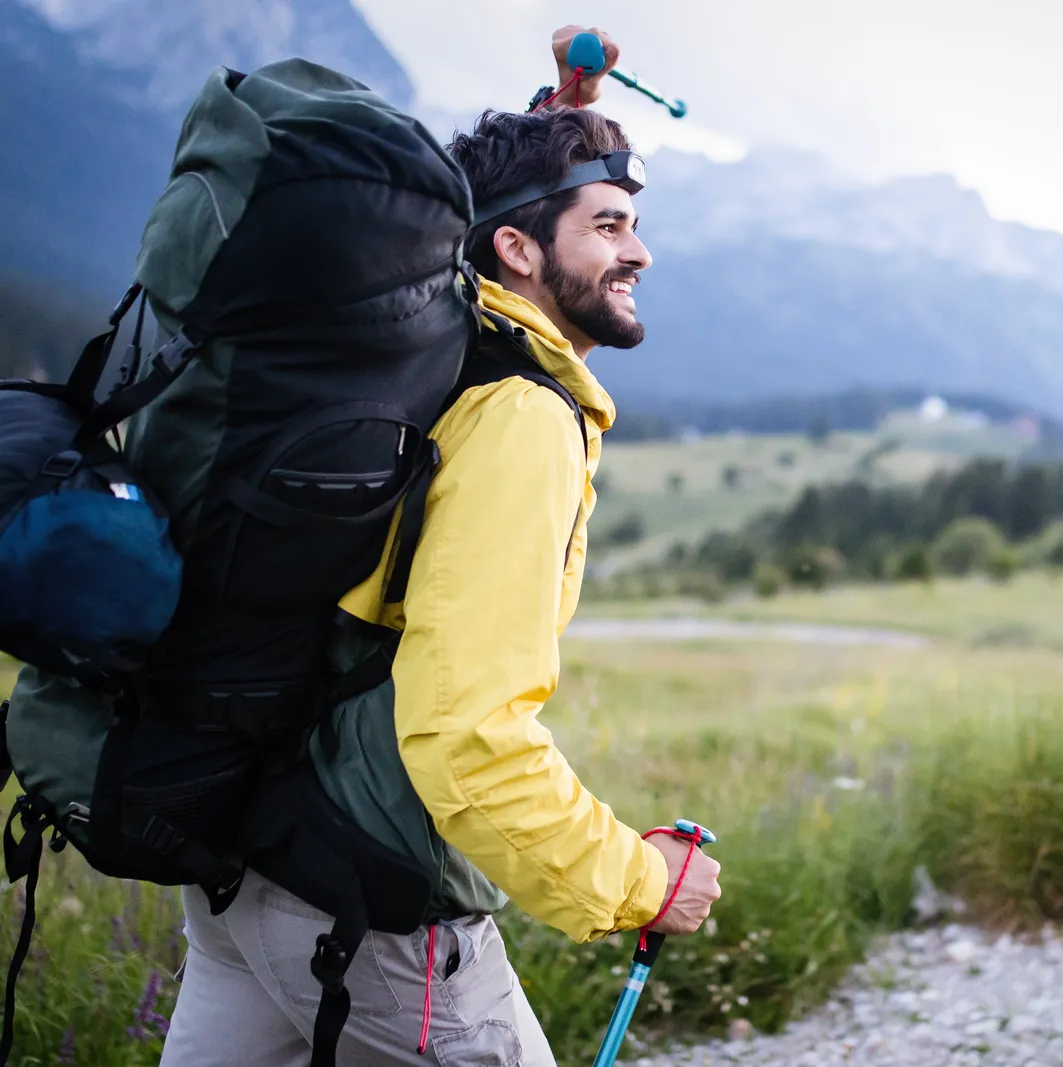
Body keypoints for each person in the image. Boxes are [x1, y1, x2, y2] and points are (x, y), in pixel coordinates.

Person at [159, 26, 721, 1067]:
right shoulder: (519, 415)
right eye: (610, 225)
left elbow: (486, 211)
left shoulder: (425, 352)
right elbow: (465, 735)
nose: (638, 251)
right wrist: (640, 882)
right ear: (516, 249)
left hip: (248, 849)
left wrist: (564, 113)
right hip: (367, 899)